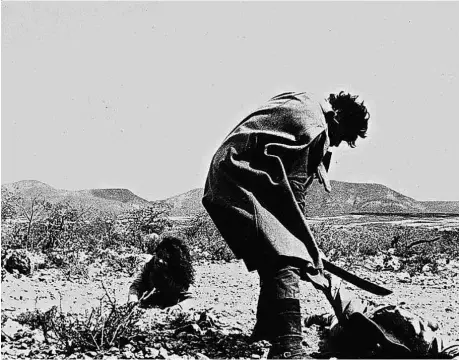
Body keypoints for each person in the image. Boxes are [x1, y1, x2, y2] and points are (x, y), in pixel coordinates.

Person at [202, 91, 370, 358]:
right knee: (286, 257)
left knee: (275, 249)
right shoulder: (314, 127)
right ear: (338, 120)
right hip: (238, 176)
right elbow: (293, 192)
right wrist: (303, 246)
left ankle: (267, 329)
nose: (336, 145)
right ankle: (287, 346)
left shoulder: (307, 105)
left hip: (233, 172)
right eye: (341, 137)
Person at [304, 274, 459, 359]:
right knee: (338, 323)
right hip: (356, 328)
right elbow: (337, 291)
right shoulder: (356, 318)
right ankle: (323, 318)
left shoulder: (422, 337)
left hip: (371, 329)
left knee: (340, 323)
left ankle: (325, 317)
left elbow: (452, 349)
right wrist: (320, 273)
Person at [128, 235, 195, 315]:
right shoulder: (151, 265)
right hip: (150, 299)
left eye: (165, 259)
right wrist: (132, 300)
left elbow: (190, 298)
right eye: (159, 255)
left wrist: (179, 307)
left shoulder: (180, 274)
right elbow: (136, 286)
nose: (160, 261)